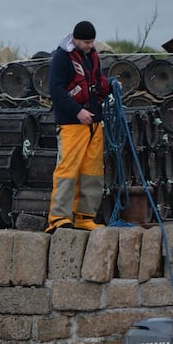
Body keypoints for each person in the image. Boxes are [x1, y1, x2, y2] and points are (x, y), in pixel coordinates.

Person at [45, 21, 110, 234]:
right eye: (86, 42)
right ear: (75, 39)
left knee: (92, 171)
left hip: (94, 122)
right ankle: (59, 218)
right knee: (67, 170)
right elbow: (56, 90)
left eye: (92, 42)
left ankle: (84, 216)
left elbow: (96, 81)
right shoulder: (61, 58)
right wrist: (77, 112)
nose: (90, 45)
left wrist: (108, 87)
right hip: (72, 123)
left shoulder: (92, 56)